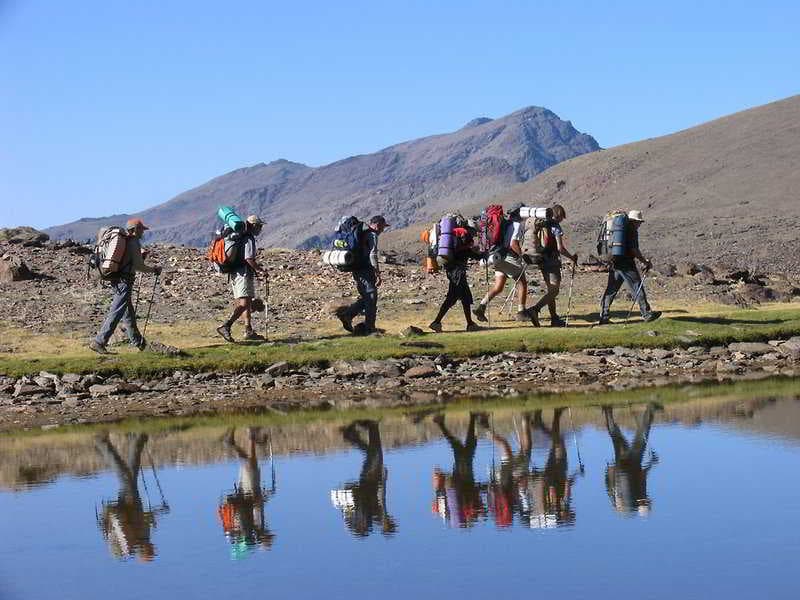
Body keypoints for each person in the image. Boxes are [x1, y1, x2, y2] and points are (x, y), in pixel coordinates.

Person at [90, 218, 162, 354]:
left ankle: (140, 344)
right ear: (134, 230)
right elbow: (139, 266)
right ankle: (99, 341)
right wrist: (154, 269)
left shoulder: (125, 240)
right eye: (141, 229)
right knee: (117, 311)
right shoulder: (133, 242)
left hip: (117, 279)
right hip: (125, 281)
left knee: (128, 314)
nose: (143, 232)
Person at [95, 432, 169, 561]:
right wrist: (160, 511)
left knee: (124, 475)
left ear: (144, 551)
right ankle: (135, 440)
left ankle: (103, 444)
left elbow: (124, 522)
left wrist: (129, 508)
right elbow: (147, 517)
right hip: (133, 502)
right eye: (152, 548)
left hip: (127, 504)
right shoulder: (144, 537)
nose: (152, 546)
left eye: (151, 549)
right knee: (131, 472)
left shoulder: (131, 541)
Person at [331, 420, 397, 537]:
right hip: (366, 482)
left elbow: (381, 498)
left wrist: (384, 479)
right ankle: (352, 436)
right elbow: (381, 498)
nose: (391, 519)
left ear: (386, 525)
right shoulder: (375, 517)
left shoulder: (378, 516)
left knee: (375, 452)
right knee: (372, 453)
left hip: (371, 478)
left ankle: (372, 424)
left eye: (390, 523)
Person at [473, 203, 536, 324]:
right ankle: (521, 312)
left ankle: (481, 306)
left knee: (498, 287)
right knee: (522, 282)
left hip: (497, 256)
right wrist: (521, 256)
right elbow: (513, 244)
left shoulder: (504, 224)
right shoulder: (516, 225)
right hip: (508, 257)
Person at [218, 427, 276, 555]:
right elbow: (256, 508)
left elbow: (256, 507)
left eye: (268, 535)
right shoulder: (251, 529)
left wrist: (263, 498)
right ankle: (250, 437)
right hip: (244, 493)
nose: (269, 532)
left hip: (248, 492)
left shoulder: (250, 529)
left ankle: (244, 438)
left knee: (250, 464)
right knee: (251, 463)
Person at [598, 210, 661, 325]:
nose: (639, 224)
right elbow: (634, 250)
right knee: (637, 286)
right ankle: (647, 314)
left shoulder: (619, 229)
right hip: (626, 263)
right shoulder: (631, 230)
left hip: (615, 261)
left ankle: (604, 316)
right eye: (639, 222)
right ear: (634, 221)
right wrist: (644, 262)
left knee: (611, 289)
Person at [216, 215, 268, 342]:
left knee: (246, 303)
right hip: (243, 274)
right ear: (253, 225)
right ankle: (226, 326)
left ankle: (248, 330)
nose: (260, 229)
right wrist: (260, 270)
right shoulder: (249, 238)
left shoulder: (240, 237)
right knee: (244, 304)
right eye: (259, 226)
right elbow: (248, 258)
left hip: (235, 273)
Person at [431, 412, 488, 528]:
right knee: (463, 450)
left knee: (463, 450)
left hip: (462, 477)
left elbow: (473, 489)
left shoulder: (468, 508)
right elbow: (474, 490)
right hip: (456, 480)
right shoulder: (457, 512)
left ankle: (443, 423)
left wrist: (486, 487)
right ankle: (470, 417)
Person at [335, 215, 389, 335]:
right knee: (371, 298)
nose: (382, 230)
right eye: (382, 227)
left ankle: (348, 315)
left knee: (366, 297)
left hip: (356, 268)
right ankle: (370, 329)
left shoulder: (361, 232)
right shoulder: (372, 234)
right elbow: (372, 255)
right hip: (366, 270)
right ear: (377, 224)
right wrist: (378, 273)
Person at [525, 204, 578, 327]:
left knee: (551, 290)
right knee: (554, 291)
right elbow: (560, 248)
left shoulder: (541, 224)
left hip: (541, 259)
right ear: (558, 214)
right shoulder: (555, 226)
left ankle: (554, 318)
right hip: (552, 261)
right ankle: (535, 309)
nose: (562, 220)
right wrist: (572, 257)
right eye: (562, 217)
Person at [602, 403, 660, 515]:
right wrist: (611, 470)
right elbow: (612, 488)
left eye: (647, 501)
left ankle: (651, 407)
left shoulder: (639, 494)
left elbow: (642, 475)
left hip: (633, 463)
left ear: (643, 502)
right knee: (617, 438)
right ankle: (607, 410)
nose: (648, 498)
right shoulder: (623, 503)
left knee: (643, 434)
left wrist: (652, 462)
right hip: (620, 468)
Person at [429, 219, 483, 333]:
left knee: (464, 298)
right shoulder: (464, 236)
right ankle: (436, 322)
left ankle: (469, 324)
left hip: (452, 270)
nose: (473, 234)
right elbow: (466, 252)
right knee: (453, 299)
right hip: (458, 272)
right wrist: (483, 255)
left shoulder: (455, 237)